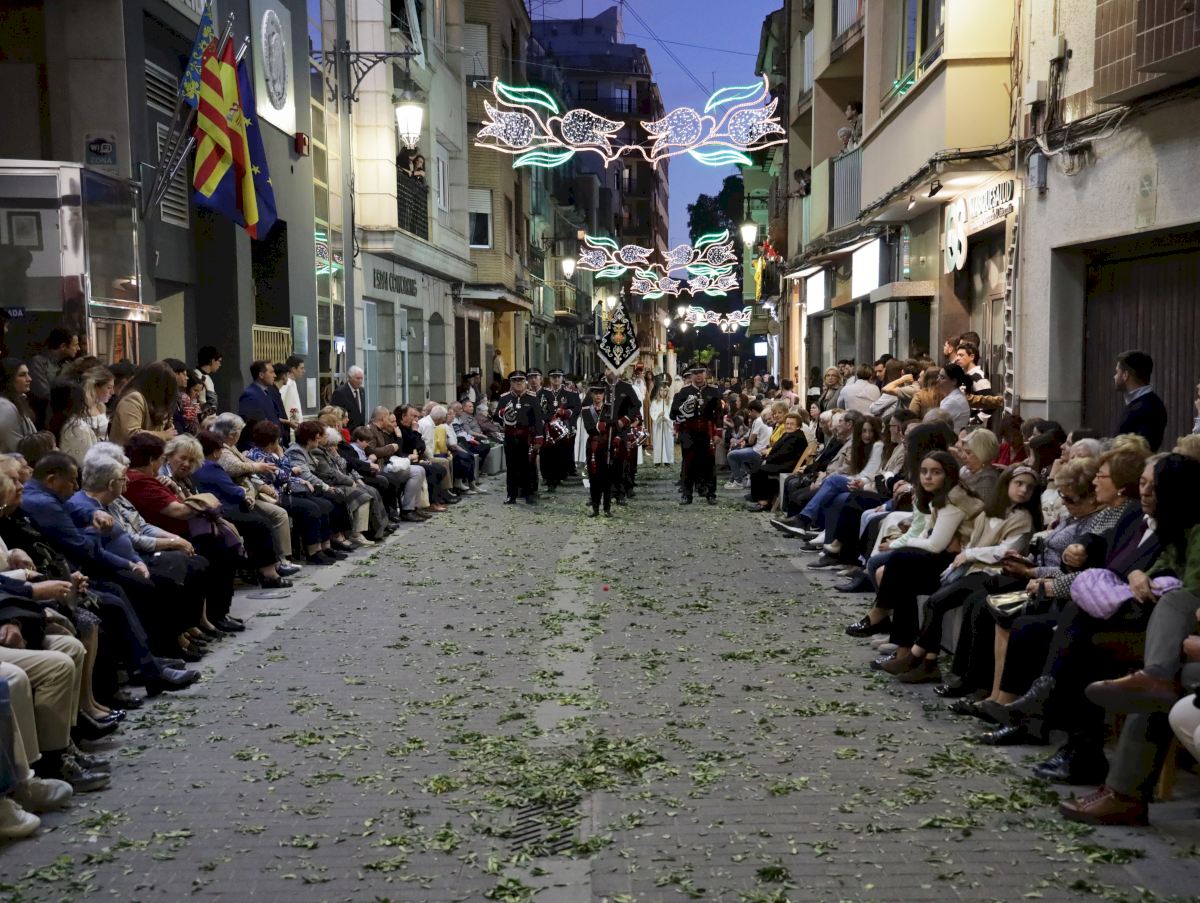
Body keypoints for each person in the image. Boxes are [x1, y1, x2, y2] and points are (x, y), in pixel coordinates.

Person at [671, 365, 721, 505]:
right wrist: (684, 412)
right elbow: (673, 413)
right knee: (688, 464)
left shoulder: (713, 391)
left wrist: (718, 432)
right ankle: (687, 494)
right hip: (688, 433)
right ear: (691, 375)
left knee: (709, 464)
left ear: (705, 374)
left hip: (707, 432)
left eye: (701, 372)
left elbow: (719, 413)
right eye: (695, 373)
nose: (698, 375)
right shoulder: (684, 392)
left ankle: (711, 494)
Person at [496, 371, 542, 506]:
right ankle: (511, 495)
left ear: (525, 382)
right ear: (511, 383)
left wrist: (539, 437)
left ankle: (528, 494)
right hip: (510, 437)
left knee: (527, 466)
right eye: (515, 381)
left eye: (521, 380)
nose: (518, 383)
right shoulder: (504, 398)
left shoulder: (532, 398)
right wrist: (502, 413)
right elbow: (496, 416)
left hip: (527, 437)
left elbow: (538, 419)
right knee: (511, 467)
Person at [109, 362, 178, 446]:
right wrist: (163, 435)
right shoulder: (133, 398)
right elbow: (132, 433)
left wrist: (167, 422)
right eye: (165, 389)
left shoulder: (154, 401)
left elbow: (167, 428)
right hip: (127, 452)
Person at [1113, 350, 1167, 451]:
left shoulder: (1149, 407)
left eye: (1117, 372)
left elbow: (1140, 451)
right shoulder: (1139, 403)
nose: (1114, 376)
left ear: (1125, 375)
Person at [28, 329, 79, 423]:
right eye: (75, 345)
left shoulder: (67, 364)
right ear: (63, 346)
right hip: (45, 418)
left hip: (68, 417)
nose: (78, 348)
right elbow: (43, 393)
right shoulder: (38, 362)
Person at [542, 370, 580, 491]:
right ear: (549, 378)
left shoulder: (570, 393)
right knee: (548, 454)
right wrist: (549, 418)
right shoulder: (543, 393)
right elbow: (539, 409)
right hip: (548, 427)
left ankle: (560, 476)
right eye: (553, 377)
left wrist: (566, 412)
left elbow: (577, 408)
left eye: (558, 377)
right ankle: (550, 480)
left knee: (562, 452)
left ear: (562, 378)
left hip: (564, 427)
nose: (556, 379)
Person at [237, 361, 288, 448]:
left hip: (272, 445)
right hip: (260, 448)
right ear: (261, 375)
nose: (275, 375)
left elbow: (273, 417)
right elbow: (255, 425)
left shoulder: (267, 392)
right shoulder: (250, 395)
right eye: (271, 372)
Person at [581, 385, 614, 517]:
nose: (598, 396)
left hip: (607, 446)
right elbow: (589, 427)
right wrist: (603, 427)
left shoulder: (610, 408)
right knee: (594, 477)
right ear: (592, 395)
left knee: (607, 478)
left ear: (604, 395)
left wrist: (608, 428)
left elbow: (613, 425)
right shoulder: (586, 410)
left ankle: (607, 508)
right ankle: (595, 508)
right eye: (595, 393)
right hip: (593, 446)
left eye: (600, 393)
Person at [0, 360, 36, 454]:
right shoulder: (4, 407)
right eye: (22, 375)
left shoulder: (18, 400)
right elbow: (17, 447)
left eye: (28, 374)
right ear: (8, 379)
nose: (29, 379)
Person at [935, 363, 973, 431]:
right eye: (938, 376)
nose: (937, 380)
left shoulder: (953, 401)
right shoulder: (954, 397)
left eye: (942, 377)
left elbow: (935, 425)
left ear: (954, 381)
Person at [650, 385, 675, 466]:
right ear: (659, 391)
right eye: (661, 390)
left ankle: (667, 460)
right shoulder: (655, 402)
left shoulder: (670, 402)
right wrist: (658, 415)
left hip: (667, 424)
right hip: (658, 425)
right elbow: (652, 412)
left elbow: (672, 413)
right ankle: (658, 460)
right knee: (658, 442)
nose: (663, 392)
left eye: (665, 390)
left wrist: (666, 418)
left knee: (668, 442)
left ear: (667, 392)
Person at [193, 346, 222, 411]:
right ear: (212, 361)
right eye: (219, 361)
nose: (220, 365)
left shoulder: (206, 376)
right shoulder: (197, 375)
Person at [280, 355, 306, 424]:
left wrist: (296, 422)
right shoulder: (286, 384)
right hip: (288, 424)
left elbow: (293, 406)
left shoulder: (293, 382)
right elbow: (280, 403)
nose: (304, 371)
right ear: (293, 369)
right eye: (301, 368)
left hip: (294, 424)